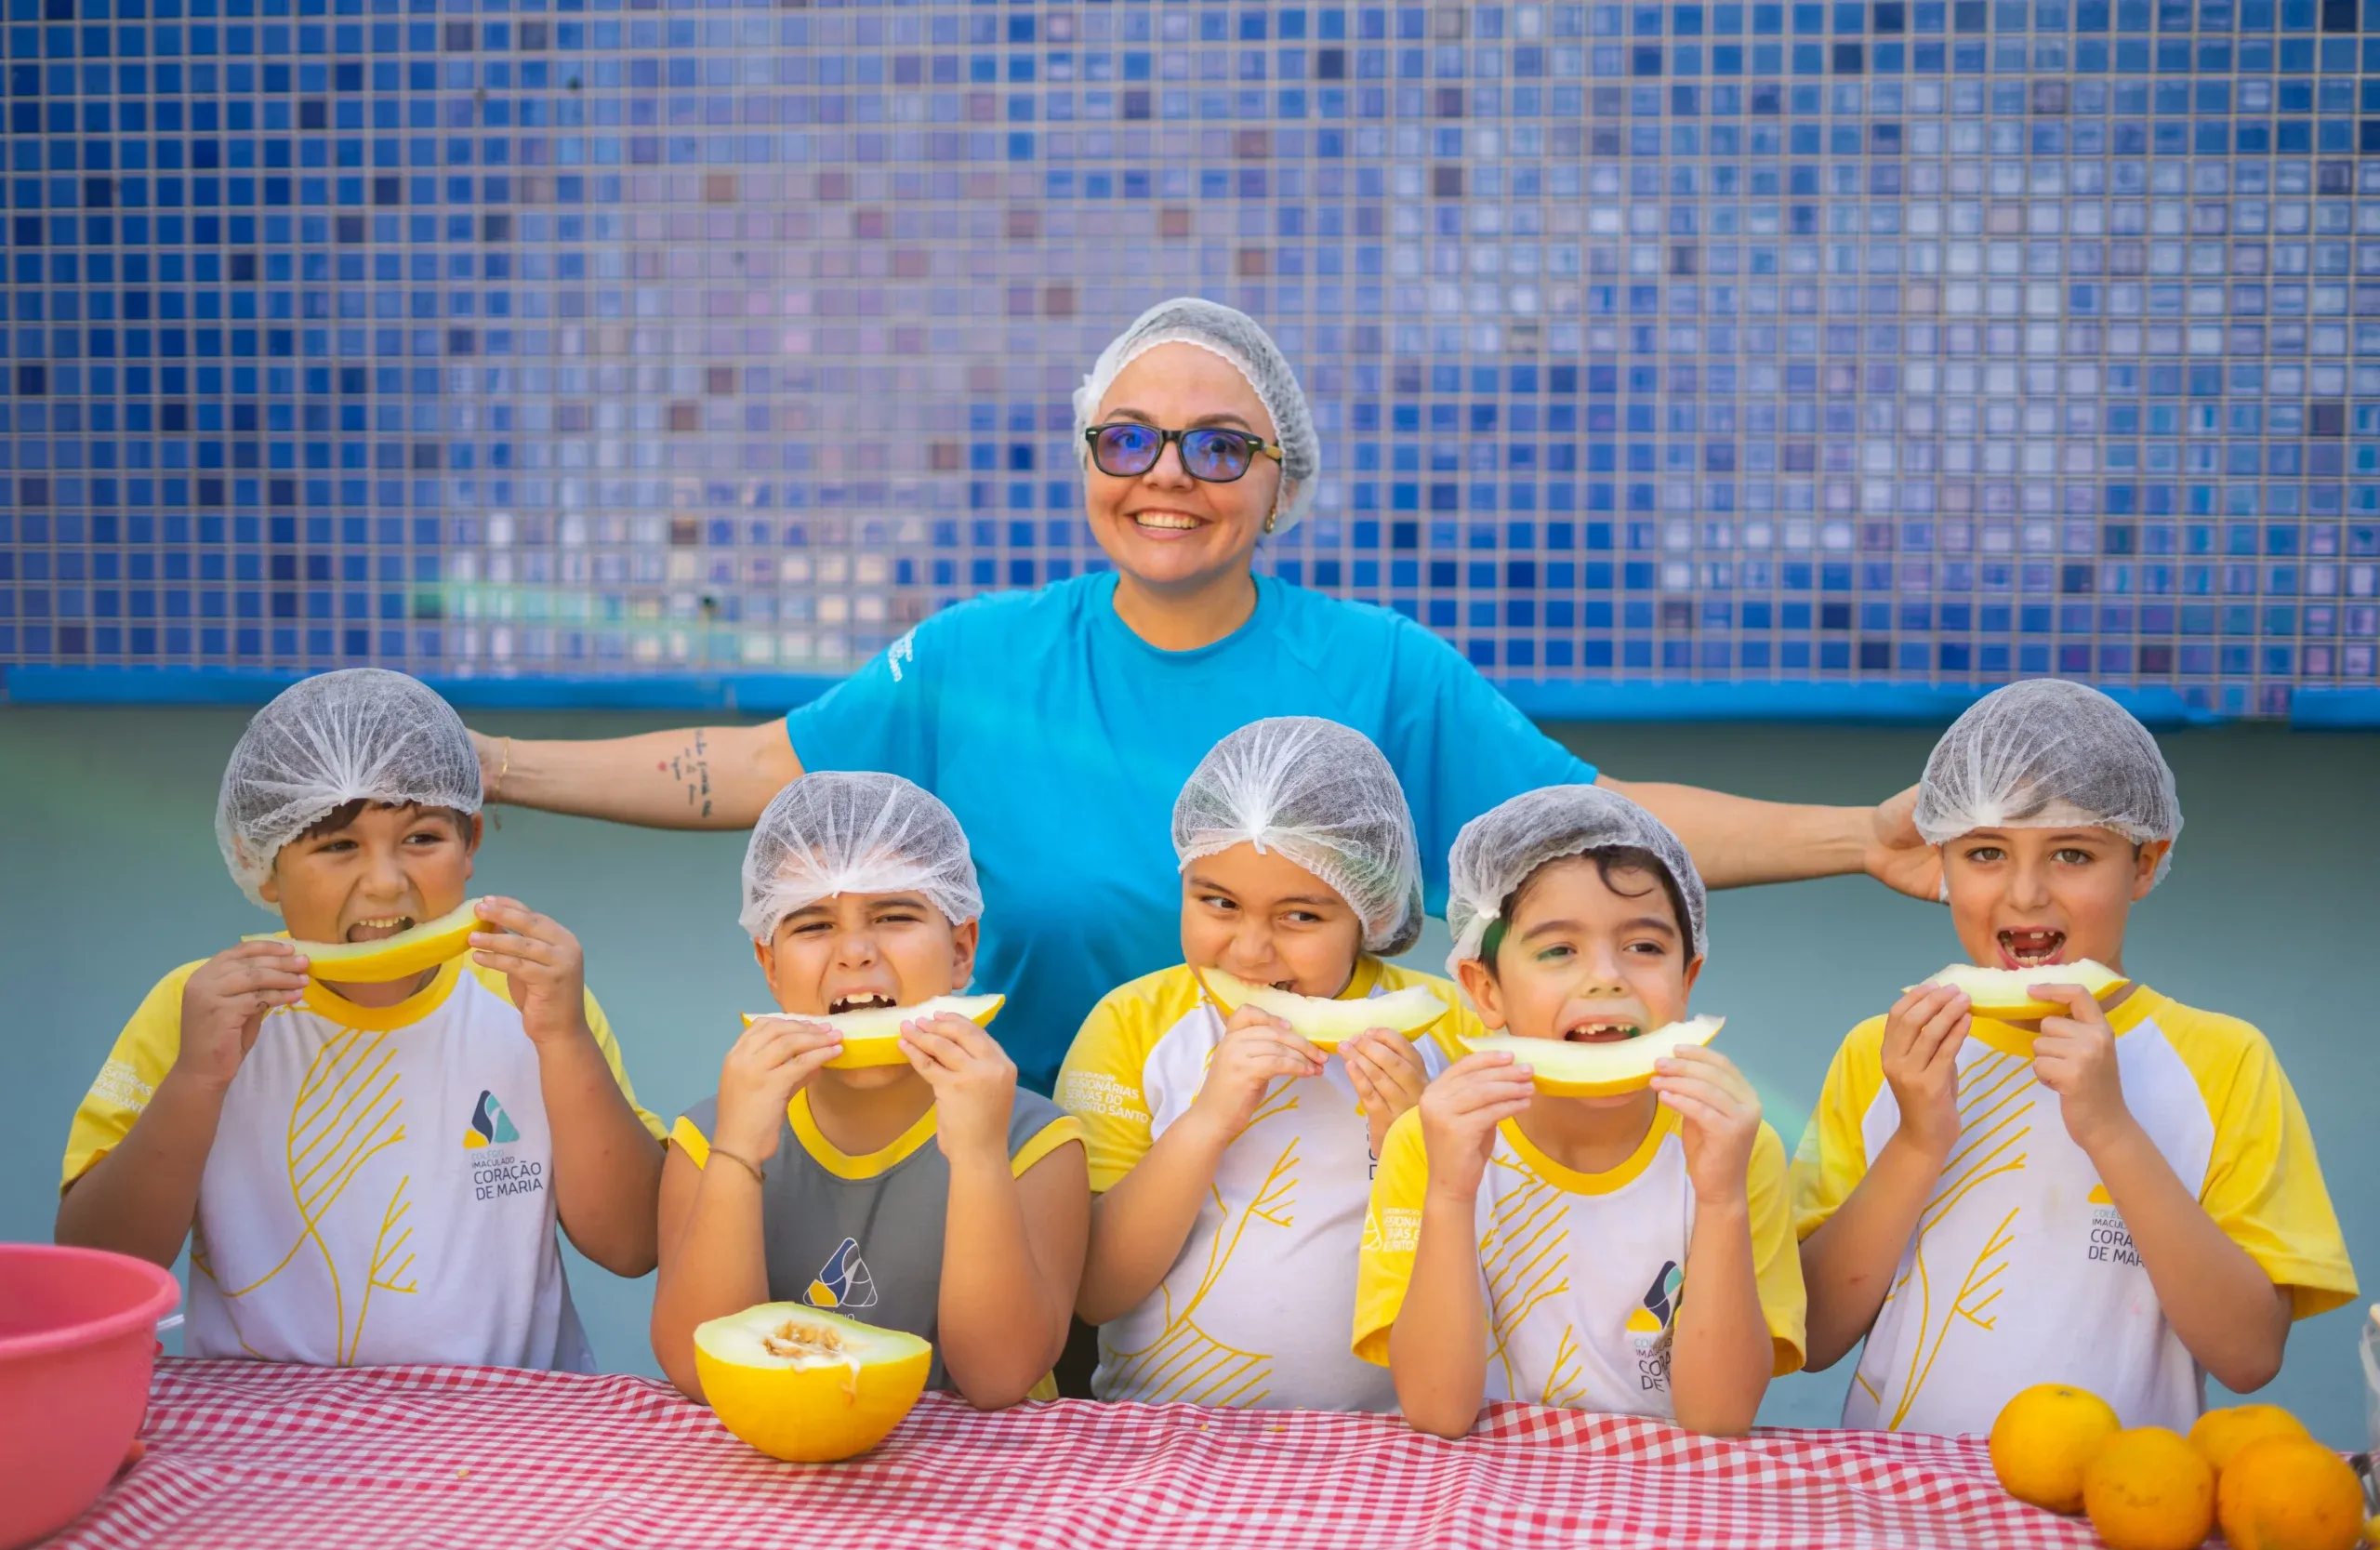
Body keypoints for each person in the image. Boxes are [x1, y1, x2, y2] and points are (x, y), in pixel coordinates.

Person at [462, 298, 1939, 1090]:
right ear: (1089, 459)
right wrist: (490, 766)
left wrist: (1858, 838)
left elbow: (1599, 825)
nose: (1168, 476)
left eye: (1219, 447)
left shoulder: (1377, 667)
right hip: (1027, 1169)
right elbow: (748, 769)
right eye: (1130, 439)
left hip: (1319, 1165)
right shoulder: (979, 655)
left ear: (1279, 479)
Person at [56, 669, 664, 1370]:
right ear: (264, 866)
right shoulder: (196, 1009)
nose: (384, 881)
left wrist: (565, 1042)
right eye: (338, 845)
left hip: (507, 1430)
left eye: (422, 837)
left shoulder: (530, 999)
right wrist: (197, 1078)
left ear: (470, 842)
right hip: (262, 1433)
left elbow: (632, 1244)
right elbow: (99, 1264)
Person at [1793, 680, 2357, 1434]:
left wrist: (2113, 1130)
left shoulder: (2225, 1061)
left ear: (2146, 863)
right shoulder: (1885, 1052)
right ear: (1942, 863)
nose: (2026, 894)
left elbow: (2250, 1354)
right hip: (1899, 1503)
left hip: (2121, 1509)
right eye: (1986, 851)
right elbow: (1815, 1335)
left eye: (2072, 853)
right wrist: (1917, 1139)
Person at [1357, 785, 1805, 1438]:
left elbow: (1720, 1417)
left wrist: (1722, 1200)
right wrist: (1451, 1192)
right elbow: (1436, 1411)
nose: (1607, 978)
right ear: (1486, 988)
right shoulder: (1428, 1141)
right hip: (1481, 1501)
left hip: (1662, 1503)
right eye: (1558, 949)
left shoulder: (1736, 1144)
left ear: (1687, 980)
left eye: (1645, 947)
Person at [1057, 717, 1472, 1411]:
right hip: (1158, 1439)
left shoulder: (1455, 1027)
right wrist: (1207, 1121)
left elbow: (1511, 1264)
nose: (1249, 952)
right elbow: (1094, 1288)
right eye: (1217, 902)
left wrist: (1415, 1144)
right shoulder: (1130, 1025)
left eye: (1300, 916)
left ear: (1368, 911)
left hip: (1396, 1444)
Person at [651, 773, 1089, 1410]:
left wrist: (978, 1154)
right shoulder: (705, 1137)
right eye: (813, 924)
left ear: (962, 949)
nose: (855, 951)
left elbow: (998, 1377)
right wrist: (736, 1152)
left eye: (894, 915)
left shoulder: (1038, 1143)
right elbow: (699, 1371)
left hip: (983, 1490)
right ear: (769, 965)